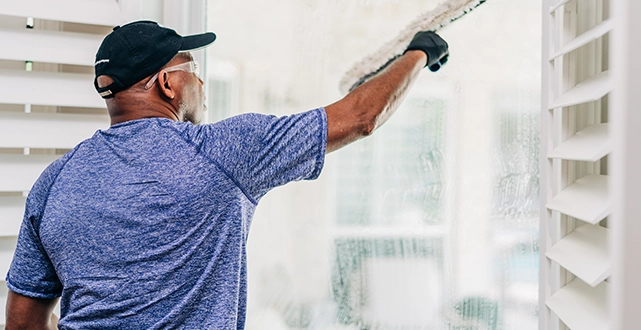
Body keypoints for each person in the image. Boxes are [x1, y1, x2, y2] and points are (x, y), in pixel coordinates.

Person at [5, 20, 448, 329]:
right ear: (167, 83)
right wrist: (418, 53)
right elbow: (360, 117)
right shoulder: (222, 151)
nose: (202, 85)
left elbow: (23, 322)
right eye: (193, 70)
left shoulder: (54, 181)